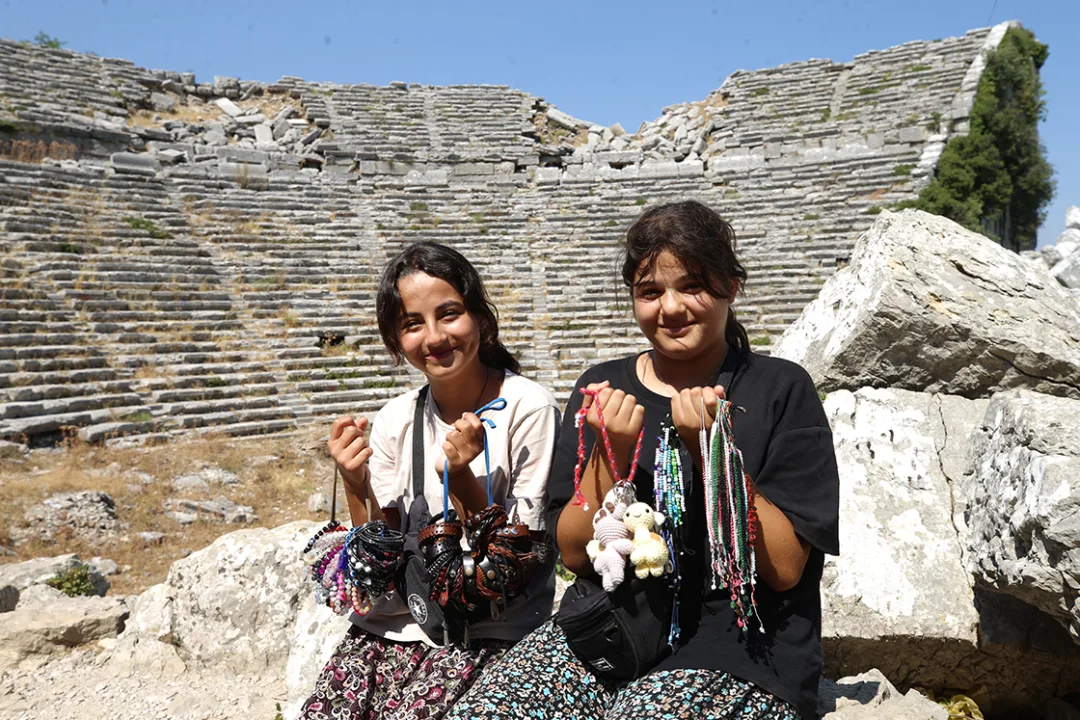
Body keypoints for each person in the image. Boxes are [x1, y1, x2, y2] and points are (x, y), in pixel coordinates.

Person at [445, 200, 840, 720]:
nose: (670, 308)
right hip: (607, 634)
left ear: (732, 286)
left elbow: (785, 569)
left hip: (744, 653)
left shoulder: (781, 389)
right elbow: (576, 555)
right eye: (650, 291)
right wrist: (611, 456)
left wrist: (712, 451)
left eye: (692, 285)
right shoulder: (600, 387)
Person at [300, 241, 560, 720]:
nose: (435, 336)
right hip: (392, 630)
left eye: (449, 313)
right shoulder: (395, 418)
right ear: (396, 341)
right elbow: (377, 563)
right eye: (413, 323)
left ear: (481, 319)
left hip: (485, 633)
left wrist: (460, 478)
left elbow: (517, 564)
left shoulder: (529, 408)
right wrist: (356, 485)